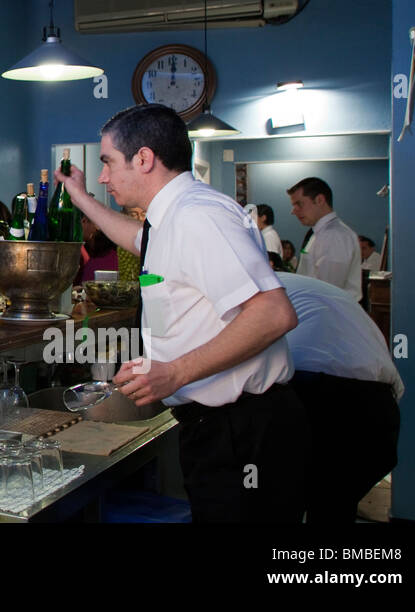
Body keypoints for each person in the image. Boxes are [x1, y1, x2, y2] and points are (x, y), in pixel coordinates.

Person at [55, 104, 306, 523]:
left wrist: (174, 373)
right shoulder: (173, 217)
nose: (103, 177)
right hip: (219, 426)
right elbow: (140, 240)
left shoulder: (197, 217)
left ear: (144, 158)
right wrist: (80, 198)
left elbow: (273, 313)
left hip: (244, 429)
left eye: (107, 163)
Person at [277, 271, 402, 522]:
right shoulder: (315, 287)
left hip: (313, 394)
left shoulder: (246, 290)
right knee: (335, 505)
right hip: (379, 407)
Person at [288, 177, 363, 301]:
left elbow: (327, 289)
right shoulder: (319, 233)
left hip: (330, 312)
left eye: (299, 204)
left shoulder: (335, 236)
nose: (293, 211)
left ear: (319, 200)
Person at [78, 215, 119, 282]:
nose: (78, 226)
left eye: (83, 221)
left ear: (97, 224)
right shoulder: (84, 251)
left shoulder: (106, 258)